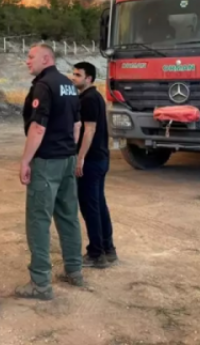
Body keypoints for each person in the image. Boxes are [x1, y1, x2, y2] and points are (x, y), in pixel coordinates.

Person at [16, 42, 84, 301]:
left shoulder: (43, 86)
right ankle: (74, 270)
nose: (27, 61)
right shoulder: (69, 84)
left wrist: (25, 160)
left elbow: (38, 128)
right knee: (68, 216)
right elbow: (76, 125)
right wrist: (70, 151)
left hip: (47, 162)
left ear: (46, 58)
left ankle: (40, 283)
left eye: (31, 57)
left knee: (38, 220)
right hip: (67, 157)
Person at [72, 61, 117, 268]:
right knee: (99, 204)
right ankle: (108, 249)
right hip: (100, 158)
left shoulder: (89, 99)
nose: (74, 78)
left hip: (91, 162)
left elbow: (89, 130)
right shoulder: (96, 97)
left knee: (90, 207)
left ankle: (96, 254)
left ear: (88, 78)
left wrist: (80, 158)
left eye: (78, 75)